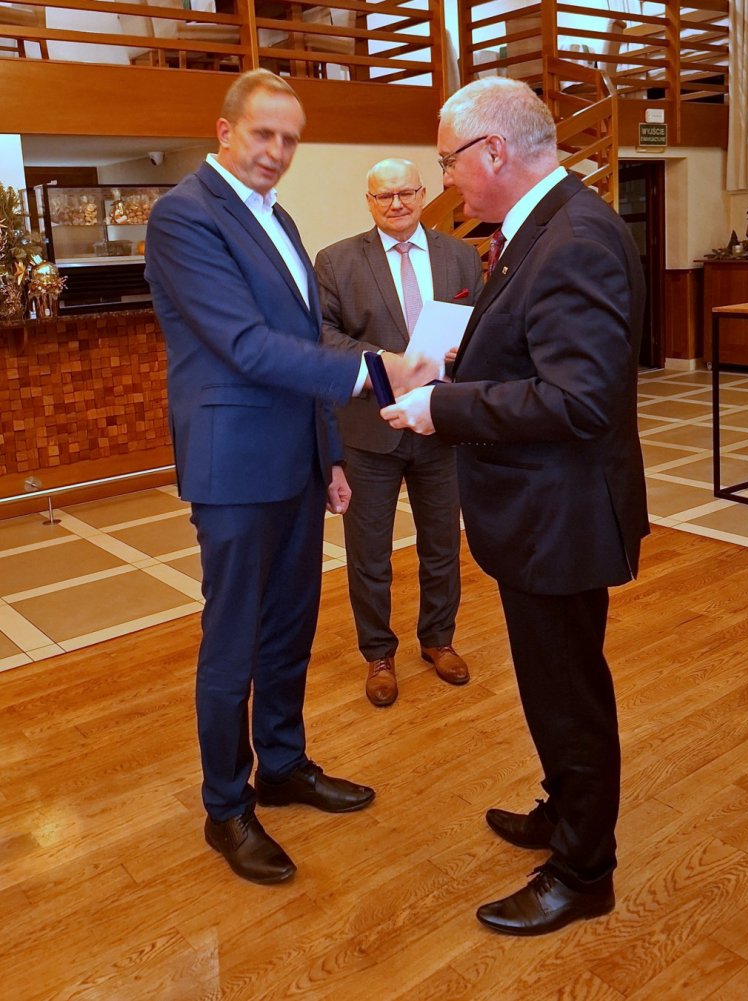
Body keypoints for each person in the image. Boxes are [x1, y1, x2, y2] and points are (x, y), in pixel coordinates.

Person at [145, 70, 435, 886]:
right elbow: (243, 345)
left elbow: (301, 339)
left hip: (297, 463)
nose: (277, 151)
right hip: (234, 466)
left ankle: (281, 764)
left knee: (288, 629)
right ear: (225, 130)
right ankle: (226, 805)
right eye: (263, 133)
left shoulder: (278, 216)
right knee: (233, 641)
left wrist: (329, 454)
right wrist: (376, 370)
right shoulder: (185, 215)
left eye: (291, 139)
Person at [382, 77, 648, 936]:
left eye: (448, 161)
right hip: (541, 512)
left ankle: (583, 871)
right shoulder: (542, 224)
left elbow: (578, 400)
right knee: (551, 686)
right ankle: (565, 809)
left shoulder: (574, 236)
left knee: (568, 694)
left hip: (560, 518)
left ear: (493, 151)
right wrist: (465, 354)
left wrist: (444, 406)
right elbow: (541, 351)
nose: (445, 179)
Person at [315, 158, 483, 707]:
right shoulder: (337, 261)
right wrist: (388, 362)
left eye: (406, 193)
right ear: (369, 201)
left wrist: (465, 349)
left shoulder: (460, 256)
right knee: (369, 553)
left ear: (423, 193)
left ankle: (438, 639)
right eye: (383, 196)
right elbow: (324, 336)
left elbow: (482, 325)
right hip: (370, 430)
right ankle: (378, 654)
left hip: (441, 425)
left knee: (442, 545)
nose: (396, 204)